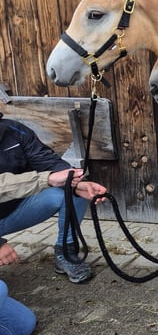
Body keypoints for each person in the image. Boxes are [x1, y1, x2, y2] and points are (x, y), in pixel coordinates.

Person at [0, 113, 108, 284]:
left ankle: (66, 251)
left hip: (13, 212)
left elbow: (46, 160)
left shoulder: (14, 130)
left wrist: (76, 182)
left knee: (71, 191)